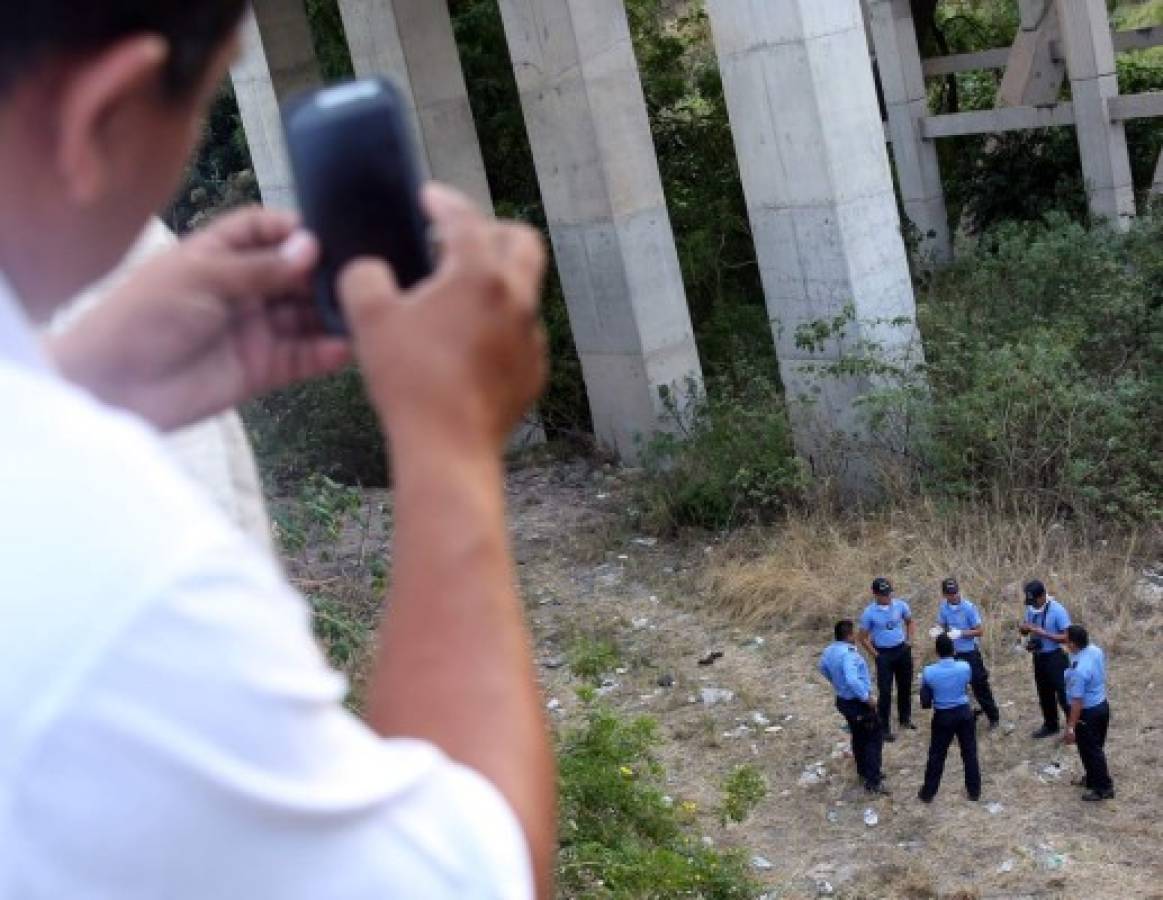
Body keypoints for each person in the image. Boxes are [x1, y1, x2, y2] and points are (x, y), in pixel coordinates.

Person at [0, 3, 554, 898]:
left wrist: (77, 387)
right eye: (205, 92)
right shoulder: (123, 578)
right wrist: (448, 437)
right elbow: (469, 876)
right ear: (101, 113)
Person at [819, 620, 887, 795]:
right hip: (858, 703)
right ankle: (873, 780)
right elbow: (852, 679)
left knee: (858, 736)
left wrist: (836, 683)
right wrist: (866, 698)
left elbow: (823, 668)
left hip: (843, 700)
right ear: (849, 635)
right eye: (853, 633)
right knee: (873, 739)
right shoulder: (849, 654)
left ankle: (863, 772)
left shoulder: (829, 651)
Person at [917, 634, 981, 803]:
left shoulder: (929, 672)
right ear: (953, 650)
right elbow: (967, 683)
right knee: (969, 753)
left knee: (937, 755)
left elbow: (925, 697)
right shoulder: (964, 666)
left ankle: (928, 793)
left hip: (943, 715)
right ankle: (974, 791)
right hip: (964, 712)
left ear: (936, 651)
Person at [936, 577, 1000, 729]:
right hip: (953, 653)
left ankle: (993, 716)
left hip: (969, 652)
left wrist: (962, 633)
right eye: (950, 594)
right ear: (945, 595)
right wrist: (939, 631)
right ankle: (967, 715)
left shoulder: (968, 607)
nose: (954, 596)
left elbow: (979, 630)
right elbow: (942, 624)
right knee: (958, 686)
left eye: (956, 592)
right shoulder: (944, 608)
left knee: (979, 685)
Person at [858, 576, 916, 741]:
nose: (888, 597)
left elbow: (910, 621)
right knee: (885, 692)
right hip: (883, 653)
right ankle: (884, 728)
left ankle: (905, 719)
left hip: (901, 650)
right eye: (884, 595)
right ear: (876, 594)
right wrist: (876, 655)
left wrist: (909, 641)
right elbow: (862, 637)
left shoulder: (900, 605)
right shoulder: (869, 613)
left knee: (905, 686)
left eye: (889, 593)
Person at [1064, 626, 1114, 801]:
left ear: (1073, 643)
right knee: (1095, 748)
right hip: (1101, 705)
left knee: (1091, 750)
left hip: (1088, 713)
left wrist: (1070, 727)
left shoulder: (1079, 671)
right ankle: (1093, 778)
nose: (1064, 641)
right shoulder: (1094, 650)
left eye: (1066, 639)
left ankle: (1104, 788)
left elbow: (1077, 702)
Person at [1018, 579, 1072, 739]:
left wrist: (1044, 634)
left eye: (1034, 601)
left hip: (1056, 657)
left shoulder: (1057, 610)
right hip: (1039, 656)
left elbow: (1067, 637)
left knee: (1063, 694)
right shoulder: (1031, 609)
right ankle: (1050, 724)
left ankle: (1073, 726)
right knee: (1044, 693)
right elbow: (1028, 629)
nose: (1032, 605)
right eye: (1030, 602)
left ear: (1042, 596)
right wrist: (1024, 631)